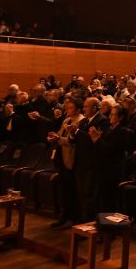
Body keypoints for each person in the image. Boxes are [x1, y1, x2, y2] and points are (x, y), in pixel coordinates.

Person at [47, 96, 82, 227]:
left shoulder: (81, 121)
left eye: (70, 107)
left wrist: (58, 139)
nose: (67, 109)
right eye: (67, 107)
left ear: (78, 109)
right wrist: (53, 137)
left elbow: (72, 142)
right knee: (63, 189)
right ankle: (64, 216)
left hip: (71, 158)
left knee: (71, 190)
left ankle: (72, 218)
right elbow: (60, 134)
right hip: (61, 156)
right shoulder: (67, 120)